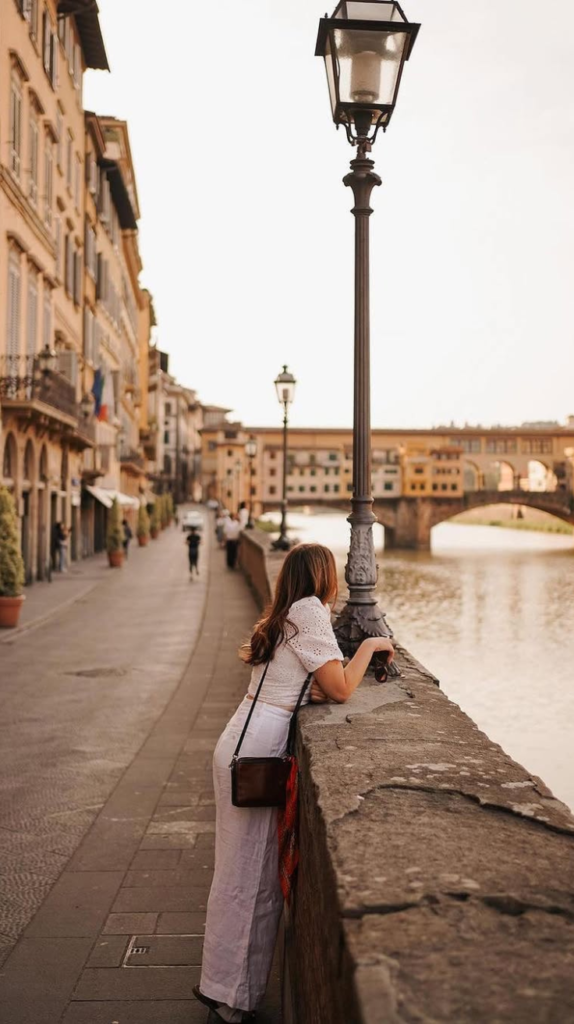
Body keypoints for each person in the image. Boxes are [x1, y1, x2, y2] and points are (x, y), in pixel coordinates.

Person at [193, 543, 395, 1022]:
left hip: (239, 738)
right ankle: (233, 1000)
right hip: (257, 746)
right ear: (323, 575)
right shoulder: (311, 612)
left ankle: (220, 984)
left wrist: (323, 685)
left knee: (236, 869)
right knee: (253, 875)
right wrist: (370, 645)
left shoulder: (287, 611)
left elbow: (317, 684)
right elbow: (342, 690)